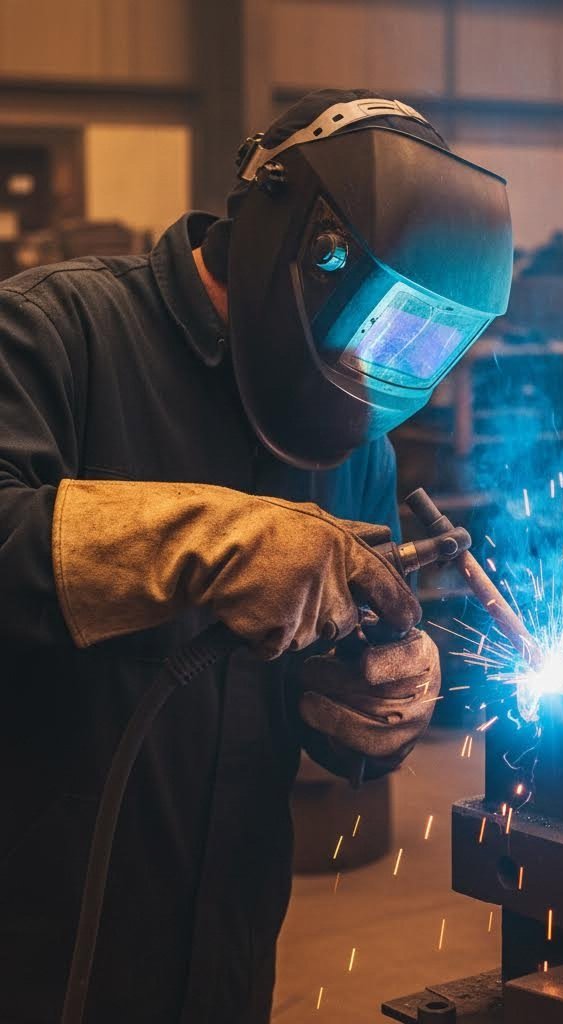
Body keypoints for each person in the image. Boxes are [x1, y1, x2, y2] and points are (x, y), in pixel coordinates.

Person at [0, 88, 512, 1023]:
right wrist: (206, 544)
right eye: (374, 317)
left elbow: (305, 687)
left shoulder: (355, 445)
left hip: (227, 958)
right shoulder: (53, 335)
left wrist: (370, 694)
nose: (374, 360)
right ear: (305, 245)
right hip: (36, 951)